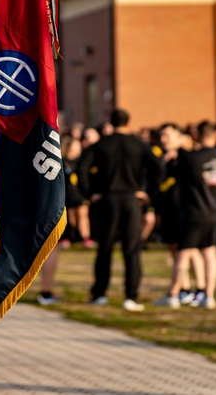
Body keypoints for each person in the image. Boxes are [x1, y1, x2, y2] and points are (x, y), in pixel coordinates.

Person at [79, 108, 161, 312]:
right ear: (128, 122)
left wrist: (91, 193)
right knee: (132, 249)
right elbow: (158, 168)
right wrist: (147, 192)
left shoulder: (102, 144)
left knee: (105, 248)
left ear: (111, 122)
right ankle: (131, 296)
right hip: (132, 200)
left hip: (107, 199)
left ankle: (99, 293)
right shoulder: (139, 144)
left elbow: (82, 169)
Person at [161, 121, 216, 310]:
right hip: (214, 211)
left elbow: (175, 174)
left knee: (182, 255)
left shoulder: (191, 158)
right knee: (210, 253)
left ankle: (174, 294)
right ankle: (209, 295)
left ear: (198, 134)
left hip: (193, 212)